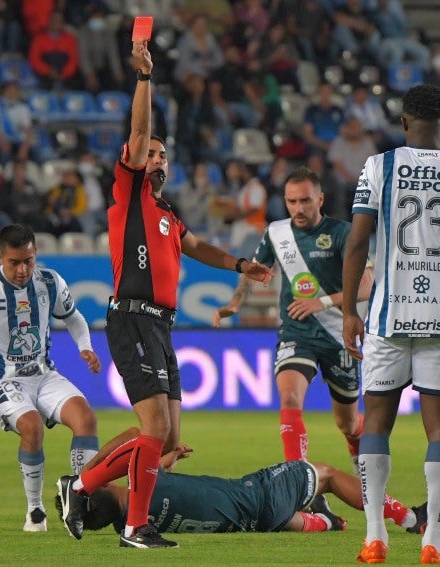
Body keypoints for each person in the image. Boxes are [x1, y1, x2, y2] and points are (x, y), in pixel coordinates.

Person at [56, 40, 273, 550]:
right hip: (132, 319)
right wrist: (145, 78)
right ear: (133, 159)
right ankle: (129, 521)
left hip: (160, 324)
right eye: (151, 152)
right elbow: (138, 130)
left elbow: (199, 248)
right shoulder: (127, 196)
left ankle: (81, 485)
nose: (157, 157)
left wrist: (241, 264)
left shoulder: (169, 215)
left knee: (167, 438)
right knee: (153, 426)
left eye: (163, 155)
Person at [341, 84, 440, 565]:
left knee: (375, 425)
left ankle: (375, 538)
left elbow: (356, 243)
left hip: (388, 317)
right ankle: (433, 541)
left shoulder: (380, 167)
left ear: (404, 123)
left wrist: (350, 309)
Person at [0, 223, 101, 532]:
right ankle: (35, 511)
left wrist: (86, 347)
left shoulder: (50, 282)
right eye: (14, 262)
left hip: (43, 374)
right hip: (2, 380)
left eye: (28, 260)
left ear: (36, 254)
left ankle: (80, 500)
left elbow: (75, 319)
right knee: (32, 427)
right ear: (0, 257)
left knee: (86, 419)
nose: (22, 269)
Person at [212, 166, 375, 470]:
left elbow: (365, 287)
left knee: (348, 422)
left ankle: (360, 453)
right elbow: (254, 271)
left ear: (320, 199)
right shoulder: (277, 232)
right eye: (291, 202)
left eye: (305, 201)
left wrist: (321, 303)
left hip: (339, 336)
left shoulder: (344, 233)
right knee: (289, 400)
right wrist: (235, 303)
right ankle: (297, 481)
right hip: (296, 333)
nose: (298, 209)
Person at [54, 426, 427, 536]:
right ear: (102, 487)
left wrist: (168, 458)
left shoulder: (135, 522)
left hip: (251, 523)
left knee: (287, 517)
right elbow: (136, 436)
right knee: (325, 473)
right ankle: (410, 519)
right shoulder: (140, 488)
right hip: (254, 494)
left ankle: (327, 521)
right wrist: (85, 477)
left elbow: (153, 472)